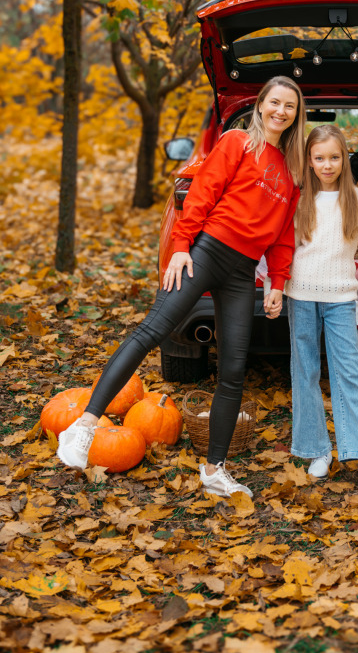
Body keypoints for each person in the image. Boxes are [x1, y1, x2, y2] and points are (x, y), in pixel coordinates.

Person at [56, 76, 305, 497]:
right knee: (152, 330)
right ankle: (84, 426)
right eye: (275, 102)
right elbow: (201, 195)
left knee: (232, 370)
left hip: (243, 274)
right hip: (206, 254)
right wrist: (180, 247)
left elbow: (283, 236)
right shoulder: (235, 142)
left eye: (290, 107)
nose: (281, 111)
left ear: (297, 116)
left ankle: (214, 471)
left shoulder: (291, 172)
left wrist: (278, 281)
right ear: (261, 105)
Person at [285, 124, 358, 492]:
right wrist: (276, 287)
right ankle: (316, 450)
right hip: (300, 296)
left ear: (345, 160)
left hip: (339, 298)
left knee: (349, 373)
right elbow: (279, 248)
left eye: (334, 158)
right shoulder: (296, 197)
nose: (326, 165)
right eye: (319, 158)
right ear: (308, 160)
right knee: (304, 372)